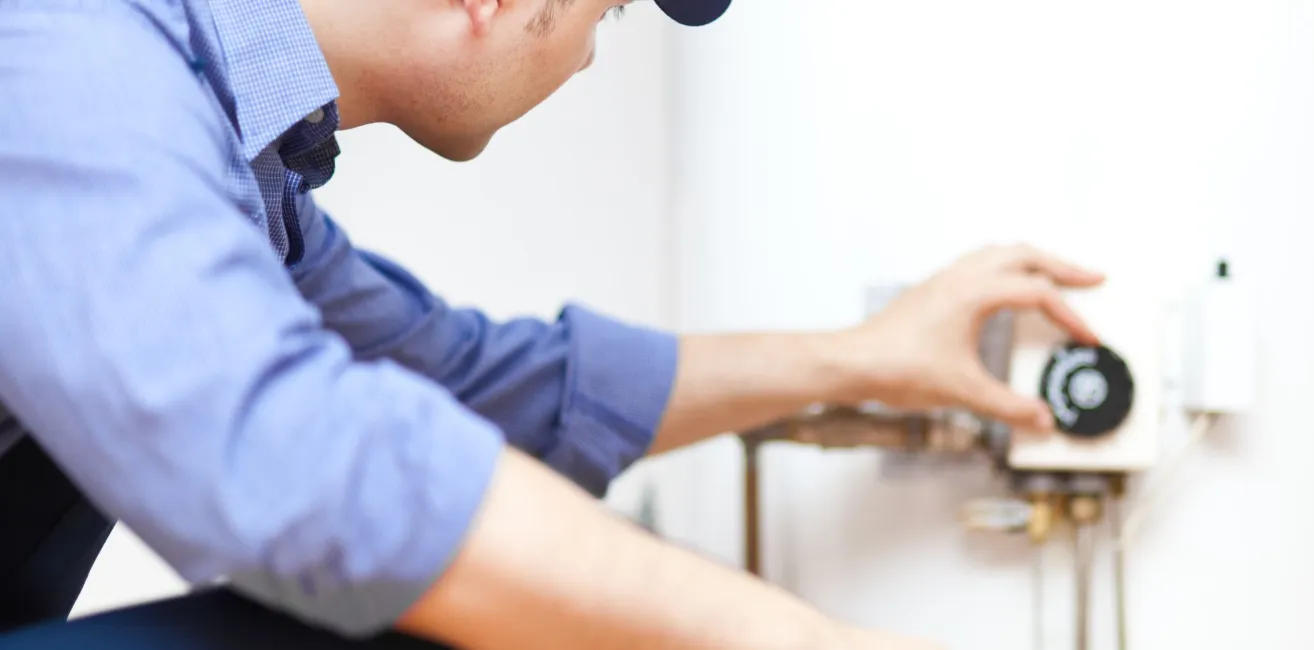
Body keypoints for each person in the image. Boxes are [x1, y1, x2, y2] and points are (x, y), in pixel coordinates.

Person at [0, 0, 1105, 647]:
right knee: (433, 603)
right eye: (607, 13)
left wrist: (860, 360)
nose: (583, 58)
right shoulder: (71, 56)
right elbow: (308, 466)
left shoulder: (244, 168)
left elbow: (473, 387)